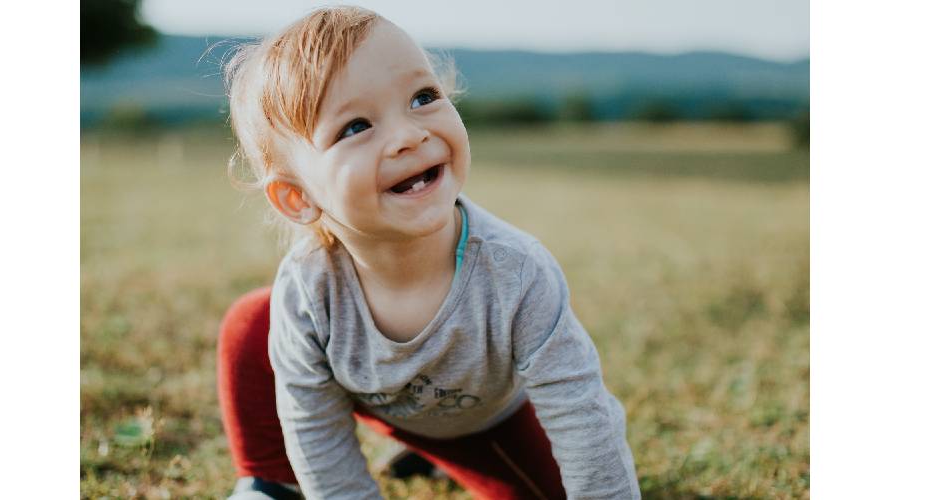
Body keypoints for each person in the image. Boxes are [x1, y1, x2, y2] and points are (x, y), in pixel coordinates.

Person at [217, 6, 641, 499]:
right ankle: (270, 484)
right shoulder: (310, 286)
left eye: (423, 97)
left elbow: (581, 416)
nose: (408, 135)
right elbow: (313, 430)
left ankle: (434, 455)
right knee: (253, 323)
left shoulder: (517, 273)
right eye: (355, 127)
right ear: (298, 197)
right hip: (373, 401)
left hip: (481, 424)